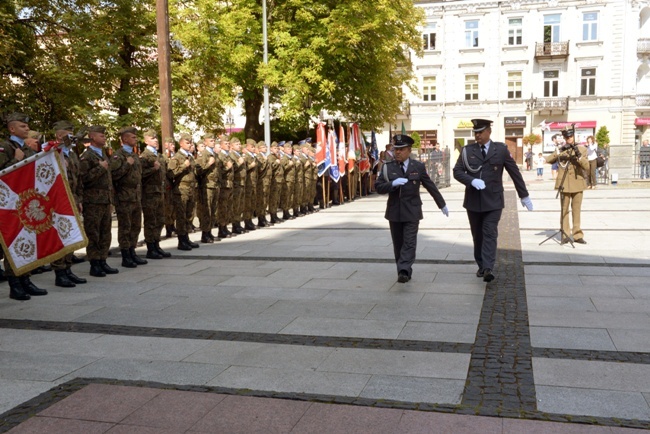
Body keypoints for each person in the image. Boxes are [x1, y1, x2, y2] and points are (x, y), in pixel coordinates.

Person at [453, 119, 533, 282]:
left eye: (480, 132)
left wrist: (523, 195)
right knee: (478, 235)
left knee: (489, 232)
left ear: (489, 131)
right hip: (474, 201)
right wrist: (471, 181)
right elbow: (457, 171)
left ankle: (488, 267)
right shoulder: (468, 151)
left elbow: (514, 172)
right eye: (475, 133)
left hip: (493, 200)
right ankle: (481, 265)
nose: (477, 136)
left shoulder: (501, 150)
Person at [375, 134, 449, 283]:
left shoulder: (418, 167)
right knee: (398, 244)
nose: (397, 152)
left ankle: (404, 270)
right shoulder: (388, 168)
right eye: (396, 149)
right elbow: (378, 187)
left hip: (412, 211)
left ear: (409, 150)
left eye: (401, 149)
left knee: (409, 242)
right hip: (394, 211)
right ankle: (402, 269)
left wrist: (442, 204)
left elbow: (430, 186)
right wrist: (392, 184)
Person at [0, 113, 49, 300]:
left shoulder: (27, 149)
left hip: (26, 203)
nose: (27, 128)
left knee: (27, 241)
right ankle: (15, 284)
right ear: (12, 129)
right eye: (22, 126)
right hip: (8, 205)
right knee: (13, 244)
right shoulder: (5, 147)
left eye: (27, 126)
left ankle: (25, 280)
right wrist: (15, 160)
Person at [50, 121, 87, 287]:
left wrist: (78, 199)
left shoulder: (71, 154)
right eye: (69, 134)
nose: (72, 137)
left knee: (70, 233)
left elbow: (78, 179)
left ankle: (68, 268)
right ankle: (59, 272)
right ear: (59, 135)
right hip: (58, 200)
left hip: (72, 198)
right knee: (61, 234)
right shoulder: (51, 152)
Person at [79, 125, 120, 277]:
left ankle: (103, 260)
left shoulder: (102, 155)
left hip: (105, 201)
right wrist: (100, 168)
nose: (104, 138)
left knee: (105, 232)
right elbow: (83, 179)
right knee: (94, 233)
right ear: (93, 137)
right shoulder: (87, 156)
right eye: (101, 136)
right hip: (93, 201)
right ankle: (94, 263)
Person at [544, 128, 589, 245]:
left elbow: (587, 167)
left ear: (574, 136)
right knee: (564, 210)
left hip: (577, 182)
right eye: (566, 138)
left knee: (576, 210)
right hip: (564, 184)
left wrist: (579, 157)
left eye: (570, 137)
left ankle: (577, 234)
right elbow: (548, 160)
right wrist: (558, 151)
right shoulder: (562, 150)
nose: (569, 139)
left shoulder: (582, 149)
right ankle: (565, 234)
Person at [111, 126, 147, 268]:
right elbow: (114, 175)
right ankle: (125, 255)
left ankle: (132, 251)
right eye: (132, 137)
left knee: (136, 226)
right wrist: (126, 164)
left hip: (136, 196)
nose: (135, 139)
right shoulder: (118, 155)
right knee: (125, 226)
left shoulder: (134, 155)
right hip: (124, 197)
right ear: (125, 139)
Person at [140, 129, 172, 258]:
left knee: (160, 220)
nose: (156, 140)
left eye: (156, 138)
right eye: (152, 138)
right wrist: (153, 169)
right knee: (151, 221)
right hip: (149, 193)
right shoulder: (145, 156)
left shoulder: (159, 156)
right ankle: (150, 247)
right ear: (146, 140)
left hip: (160, 192)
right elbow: (141, 174)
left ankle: (157, 244)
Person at [168, 133, 200, 250]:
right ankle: (181, 240)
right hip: (181, 190)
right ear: (181, 143)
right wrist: (183, 166)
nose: (190, 144)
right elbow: (171, 173)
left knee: (189, 215)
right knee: (181, 216)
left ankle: (186, 237)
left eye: (191, 142)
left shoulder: (190, 157)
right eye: (187, 142)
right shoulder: (177, 157)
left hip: (191, 189)